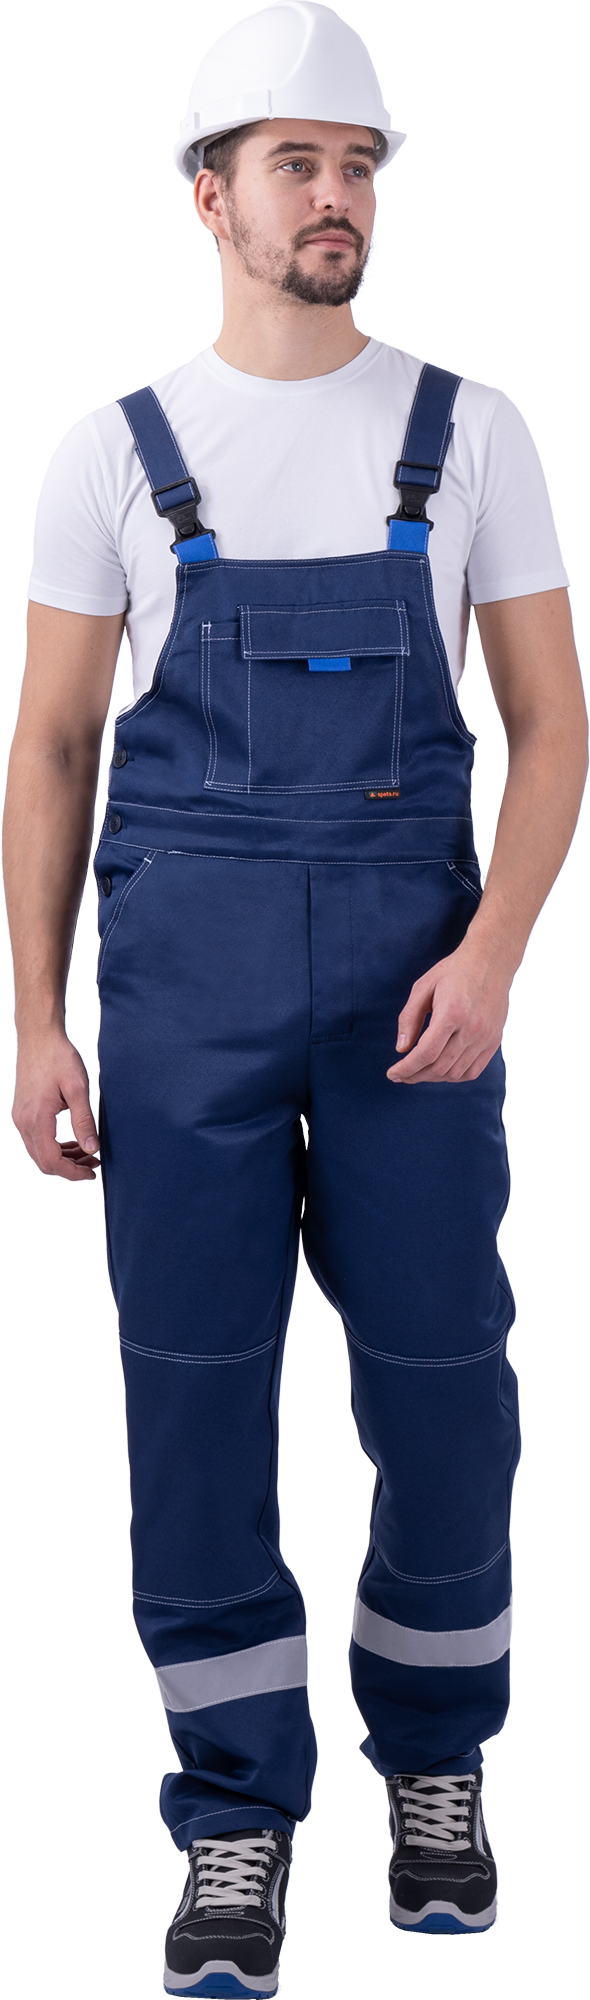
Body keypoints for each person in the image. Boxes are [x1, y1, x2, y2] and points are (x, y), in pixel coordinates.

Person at [3, 3, 587, 1994]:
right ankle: (236, 1812)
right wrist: (37, 1018)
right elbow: (52, 748)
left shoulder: (470, 430)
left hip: (421, 996)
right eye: (295, 164)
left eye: (357, 167)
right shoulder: (115, 452)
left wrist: (492, 955)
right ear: (211, 196)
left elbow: (549, 727)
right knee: (194, 1405)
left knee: (447, 1393)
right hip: (185, 999)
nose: (334, 197)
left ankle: (433, 1764)